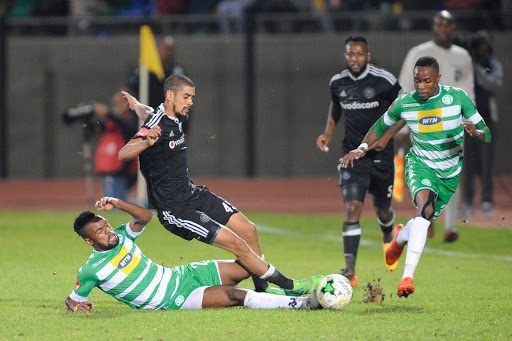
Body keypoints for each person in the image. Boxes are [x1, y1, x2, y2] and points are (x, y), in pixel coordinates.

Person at [118, 75, 322, 296]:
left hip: (192, 193)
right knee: (238, 244)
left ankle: (262, 290)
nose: (190, 102)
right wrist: (147, 141)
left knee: (249, 230)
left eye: (192, 97)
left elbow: (149, 113)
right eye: (186, 97)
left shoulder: (168, 115)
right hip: (175, 209)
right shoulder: (155, 126)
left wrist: (137, 105)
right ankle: (290, 286)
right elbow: (124, 153)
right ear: (170, 95)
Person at [341, 56, 491, 297]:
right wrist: (361, 148)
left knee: (423, 220)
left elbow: (487, 134)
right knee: (425, 211)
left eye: (427, 81)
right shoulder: (405, 103)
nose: (421, 86)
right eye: (417, 81)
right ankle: (406, 277)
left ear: (438, 79)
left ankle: (400, 238)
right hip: (420, 165)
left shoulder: (458, 98)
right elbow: (379, 126)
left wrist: (476, 133)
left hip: (449, 174)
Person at [65, 196, 320, 312]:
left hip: (180, 274)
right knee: (233, 295)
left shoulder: (122, 236)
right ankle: (302, 303)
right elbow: (72, 299)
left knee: (247, 265)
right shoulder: (92, 270)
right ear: (89, 241)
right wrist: (77, 307)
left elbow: (145, 216)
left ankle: (278, 288)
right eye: (100, 232)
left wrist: (118, 203)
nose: (108, 231)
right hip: (171, 299)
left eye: (106, 225)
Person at [316, 34, 402, 287]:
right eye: (350, 54)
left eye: (359, 54)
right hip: (353, 155)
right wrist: (329, 132)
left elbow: (405, 108)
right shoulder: (338, 82)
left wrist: (387, 137)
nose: (355, 59)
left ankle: (388, 234)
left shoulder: (384, 80)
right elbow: (336, 106)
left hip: (382, 156)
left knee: (383, 210)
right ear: (345, 56)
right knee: (353, 208)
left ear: (368, 56)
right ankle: (350, 271)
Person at [396, 10, 475, 243]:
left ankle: (449, 227)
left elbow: (469, 93)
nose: (444, 29)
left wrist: (471, 121)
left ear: (452, 27)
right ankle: (426, 219)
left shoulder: (463, 56)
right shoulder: (419, 53)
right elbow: (404, 87)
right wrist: (401, 128)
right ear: (434, 26)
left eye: (448, 25)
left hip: (452, 126)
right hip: (423, 123)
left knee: (451, 174)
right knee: (425, 173)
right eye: (440, 24)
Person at [460, 31, 503, 219]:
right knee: (467, 164)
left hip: (486, 121)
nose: (482, 47)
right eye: (480, 43)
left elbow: (494, 84)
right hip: (467, 121)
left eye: (485, 43)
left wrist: (477, 69)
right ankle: (467, 202)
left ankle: (487, 201)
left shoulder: (491, 65)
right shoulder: (465, 64)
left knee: (486, 164)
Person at [93, 89, 140, 201]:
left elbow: (128, 128)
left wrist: (108, 113)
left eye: (118, 103)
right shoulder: (112, 121)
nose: (116, 106)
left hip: (123, 169)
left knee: (115, 203)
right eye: (114, 103)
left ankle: (147, 208)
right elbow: (97, 131)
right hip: (110, 167)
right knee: (113, 201)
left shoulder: (133, 118)